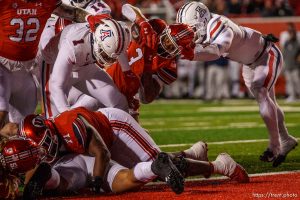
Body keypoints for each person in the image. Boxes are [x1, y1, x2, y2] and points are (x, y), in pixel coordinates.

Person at [16, 107, 248, 198]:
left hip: (115, 130)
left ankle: (219, 165)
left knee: (159, 166)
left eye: (44, 144)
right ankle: (191, 153)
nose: (44, 151)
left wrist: (96, 184)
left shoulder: (70, 127)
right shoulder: (41, 139)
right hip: (101, 145)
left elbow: (102, 153)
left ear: (49, 132)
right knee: (153, 166)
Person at [176, 1, 298, 167]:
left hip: (266, 55)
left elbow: (216, 52)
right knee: (270, 102)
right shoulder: (204, 28)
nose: (191, 32)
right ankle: (286, 139)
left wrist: (190, 54)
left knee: (261, 92)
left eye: (192, 27)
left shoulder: (219, 26)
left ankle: (275, 146)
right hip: (248, 63)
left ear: (202, 20)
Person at [0, 0, 90, 133]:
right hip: (2, 65)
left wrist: (92, 18)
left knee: (21, 128)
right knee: (1, 113)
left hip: (25, 70)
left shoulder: (47, 2)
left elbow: (73, 13)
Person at [281, 23, 300, 102]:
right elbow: (283, 53)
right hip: (288, 65)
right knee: (289, 81)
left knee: (297, 81)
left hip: (295, 65)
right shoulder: (286, 43)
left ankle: (298, 96)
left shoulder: (297, 43)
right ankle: (292, 96)